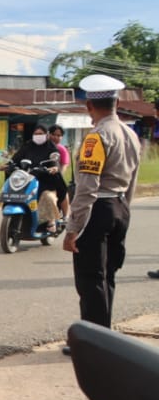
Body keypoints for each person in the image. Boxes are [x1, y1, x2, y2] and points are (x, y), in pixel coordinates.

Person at [63, 74, 141, 349]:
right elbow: (133, 180)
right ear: (116, 103)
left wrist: (73, 228)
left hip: (98, 209)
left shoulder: (96, 138)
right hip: (120, 207)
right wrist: (123, 209)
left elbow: (87, 187)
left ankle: (93, 345)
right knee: (107, 276)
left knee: (90, 279)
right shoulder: (130, 134)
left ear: (89, 106)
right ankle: (105, 338)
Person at [49, 124, 72, 220]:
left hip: (56, 176)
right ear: (49, 134)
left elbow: (64, 164)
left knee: (63, 191)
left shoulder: (61, 149)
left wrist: (59, 176)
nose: (56, 137)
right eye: (53, 134)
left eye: (59, 135)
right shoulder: (42, 147)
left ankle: (66, 215)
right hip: (42, 175)